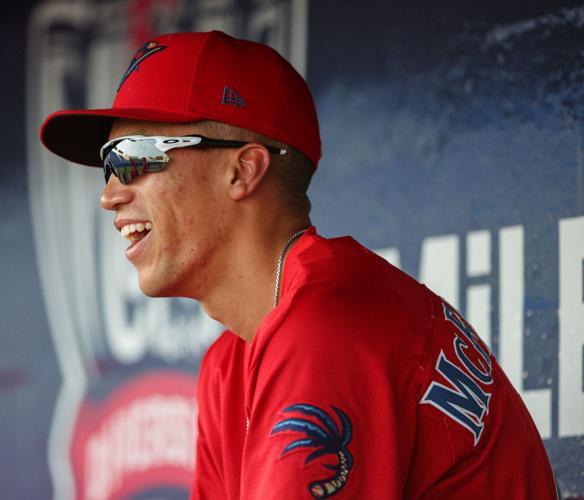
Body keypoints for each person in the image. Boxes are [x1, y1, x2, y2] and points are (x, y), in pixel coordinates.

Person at [41, 31, 560, 500]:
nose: (110, 195)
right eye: (108, 165)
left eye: (133, 157)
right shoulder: (233, 364)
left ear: (242, 171)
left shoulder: (325, 326)